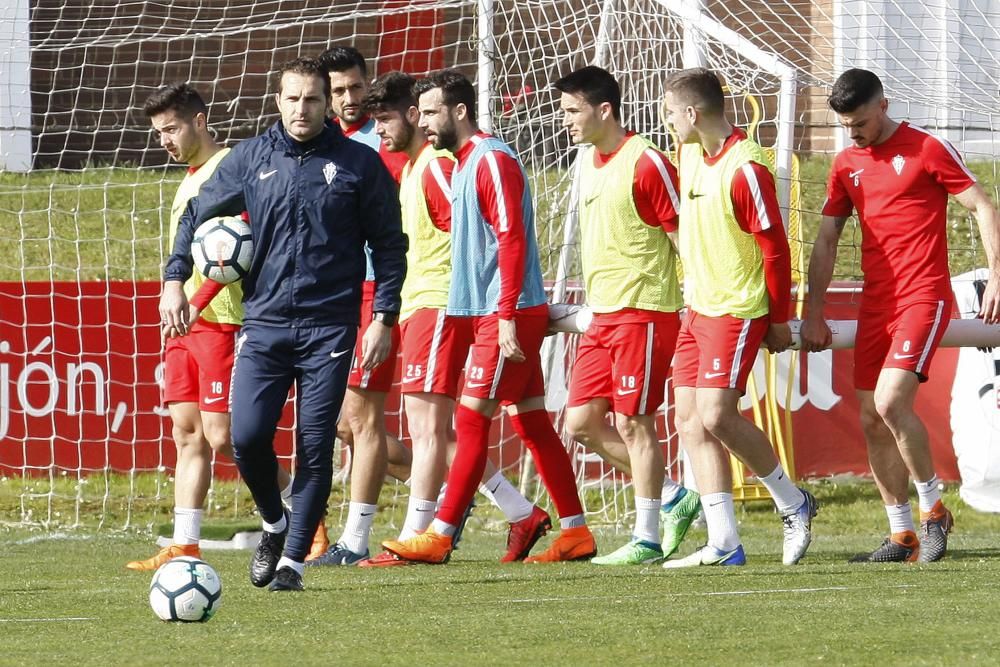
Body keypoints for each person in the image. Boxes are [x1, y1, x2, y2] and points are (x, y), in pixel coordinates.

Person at [161, 57, 407, 591]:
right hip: (265, 324)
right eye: (293, 99)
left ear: (327, 104)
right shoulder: (250, 159)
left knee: (314, 443)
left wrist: (383, 316)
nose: (302, 109)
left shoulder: (357, 165)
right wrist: (174, 278)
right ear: (278, 101)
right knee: (245, 438)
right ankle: (276, 521)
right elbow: (195, 214)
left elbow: (390, 245)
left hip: (331, 327)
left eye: (313, 99)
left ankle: (292, 564)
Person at [382, 69, 596, 565]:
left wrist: (503, 316)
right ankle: (576, 531)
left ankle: (439, 534)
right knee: (534, 425)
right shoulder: (460, 163)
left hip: (506, 311)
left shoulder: (492, 160)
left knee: (470, 418)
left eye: (432, 111)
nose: (425, 121)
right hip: (493, 310)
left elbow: (512, 238)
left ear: (460, 111)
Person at [802, 68, 1000, 563]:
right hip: (876, 304)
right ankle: (902, 535)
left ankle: (934, 511)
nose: (855, 133)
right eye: (847, 125)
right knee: (872, 419)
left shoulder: (926, 148)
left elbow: (981, 205)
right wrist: (814, 309)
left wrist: (997, 276)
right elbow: (827, 239)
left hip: (923, 297)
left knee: (890, 403)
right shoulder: (846, 163)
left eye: (862, 122)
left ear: (884, 105)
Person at [127, 84, 293, 571]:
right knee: (186, 433)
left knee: (223, 436)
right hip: (186, 325)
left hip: (222, 321)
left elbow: (233, 258)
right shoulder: (188, 178)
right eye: (158, 133)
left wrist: (194, 301)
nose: (165, 140)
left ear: (200, 121)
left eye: (171, 129)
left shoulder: (233, 169)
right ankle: (185, 542)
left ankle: (305, 512)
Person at [660, 67, 817, 568]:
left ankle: (793, 503)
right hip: (698, 309)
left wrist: (776, 317)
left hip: (738, 309)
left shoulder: (747, 167)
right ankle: (725, 543)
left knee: (716, 415)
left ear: (692, 113)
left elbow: (775, 251)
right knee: (689, 421)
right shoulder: (688, 153)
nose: (665, 123)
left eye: (668, 112)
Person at [553, 66, 700, 566]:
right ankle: (676, 497)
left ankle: (647, 536)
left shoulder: (647, 161)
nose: (565, 119)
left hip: (644, 310)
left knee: (634, 422)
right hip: (601, 316)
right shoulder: (588, 161)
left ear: (604, 110)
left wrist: (697, 296)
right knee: (580, 423)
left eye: (573, 110)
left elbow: (683, 236)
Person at [307, 46, 412, 565]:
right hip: (336, 295)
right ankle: (464, 490)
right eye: (339, 91)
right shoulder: (325, 145)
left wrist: (386, 308)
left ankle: (355, 540)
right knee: (345, 423)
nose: (350, 99)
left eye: (355, 87)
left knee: (362, 417)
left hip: (380, 295)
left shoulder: (386, 143)